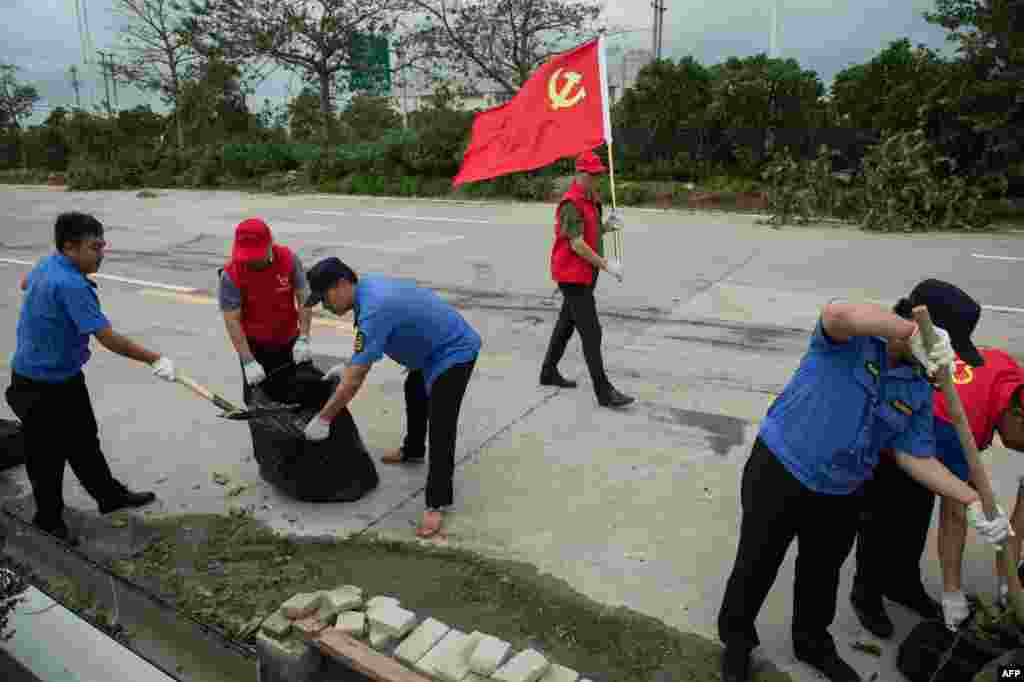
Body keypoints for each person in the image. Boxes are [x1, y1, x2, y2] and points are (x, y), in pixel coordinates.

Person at [716, 279, 1011, 682]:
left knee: (821, 576)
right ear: (916, 323)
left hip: (843, 491)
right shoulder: (852, 339)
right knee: (757, 562)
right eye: (942, 343)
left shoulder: (918, 386)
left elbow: (915, 455)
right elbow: (837, 314)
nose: (944, 360)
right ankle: (737, 641)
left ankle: (812, 643)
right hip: (783, 468)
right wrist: (909, 331)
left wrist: (974, 501)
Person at [5, 212, 176, 546]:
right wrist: (155, 358)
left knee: (84, 442)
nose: (101, 254)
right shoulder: (71, 284)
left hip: (64, 378)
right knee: (45, 458)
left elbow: (26, 282)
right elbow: (108, 339)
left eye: (103, 246)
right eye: (94, 247)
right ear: (70, 248)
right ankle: (48, 520)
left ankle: (109, 497)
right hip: (37, 385)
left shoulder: (49, 264)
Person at [852, 341, 1024, 637]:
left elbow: (1020, 517)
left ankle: (903, 584)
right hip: (894, 431)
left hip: (934, 422)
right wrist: (952, 592)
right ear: (1018, 415)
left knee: (917, 511)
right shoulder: (964, 422)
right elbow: (955, 513)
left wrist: (1011, 582)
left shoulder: (1012, 376)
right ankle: (866, 594)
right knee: (884, 515)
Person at [302, 258, 481, 539]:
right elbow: (365, 352)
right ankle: (412, 450)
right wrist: (350, 364)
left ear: (341, 285)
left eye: (324, 298)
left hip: (454, 351)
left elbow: (356, 378)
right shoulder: (368, 289)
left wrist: (325, 418)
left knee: (441, 424)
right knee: (415, 389)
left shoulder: (373, 308)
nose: (324, 306)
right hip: (430, 350)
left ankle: (436, 503)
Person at [539, 150, 633, 409]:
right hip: (572, 276)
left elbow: (589, 231)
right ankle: (604, 392)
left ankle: (548, 372)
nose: (597, 179)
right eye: (593, 175)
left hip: (584, 274)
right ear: (580, 174)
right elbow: (577, 244)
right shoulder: (571, 203)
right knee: (592, 333)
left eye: (599, 174)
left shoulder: (590, 199)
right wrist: (607, 266)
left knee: (565, 325)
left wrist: (607, 227)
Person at [218, 218, 314, 401]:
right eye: (247, 255)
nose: (252, 261)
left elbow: (303, 297)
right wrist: (248, 361)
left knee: (299, 394)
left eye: (256, 255)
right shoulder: (231, 275)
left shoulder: (288, 259)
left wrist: (304, 337)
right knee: (259, 402)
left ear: (270, 243)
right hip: (255, 347)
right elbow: (232, 320)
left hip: (289, 342)